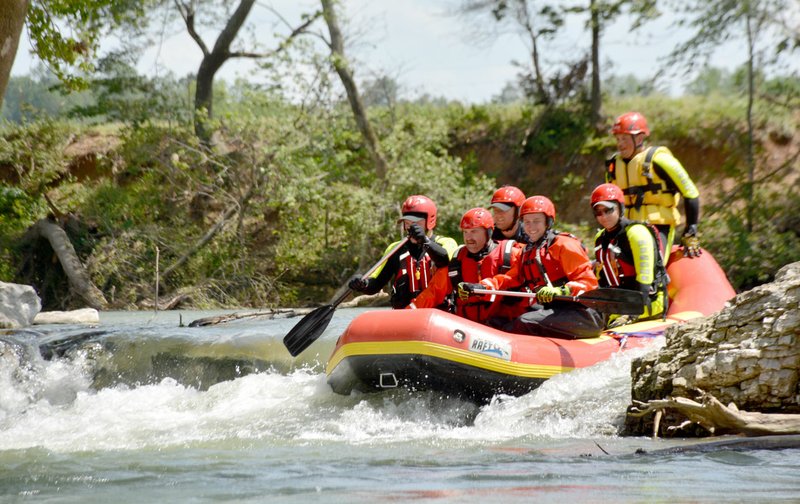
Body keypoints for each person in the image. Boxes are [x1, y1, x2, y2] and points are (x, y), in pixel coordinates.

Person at [467, 195, 603, 339]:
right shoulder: (527, 251)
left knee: (524, 321)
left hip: (584, 315)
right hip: (555, 310)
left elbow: (588, 283)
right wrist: (481, 287)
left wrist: (560, 290)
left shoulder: (565, 245)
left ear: (548, 222)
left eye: (536, 221)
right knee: (496, 321)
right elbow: (510, 278)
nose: (531, 227)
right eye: (527, 222)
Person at [607, 111, 702, 259]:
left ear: (639, 138)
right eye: (618, 139)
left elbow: (691, 193)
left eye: (624, 138)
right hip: (625, 228)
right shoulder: (613, 166)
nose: (620, 144)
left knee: (652, 264)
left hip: (658, 226)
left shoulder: (660, 160)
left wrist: (691, 230)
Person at [407, 207, 523, 325]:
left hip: (504, 327)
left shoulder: (511, 254)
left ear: (488, 232)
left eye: (474, 231)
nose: (468, 238)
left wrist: (482, 288)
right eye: (465, 232)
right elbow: (433, 293)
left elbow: (512, 279)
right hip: (467, 329)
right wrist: (408, 314)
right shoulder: (458, 260)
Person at [348, 195, 458, 309]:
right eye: (408, 223)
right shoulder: (395, 249)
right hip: (404, 317)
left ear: (429, 221)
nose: (411, 229)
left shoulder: (446, 243)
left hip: (439, 315)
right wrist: (363, 284)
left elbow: (444, 261)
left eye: (417, 224)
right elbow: (376, 284)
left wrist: (424, 240)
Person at [591, 183, 669, 324]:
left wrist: (631, 314)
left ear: (620, 208)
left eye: (608, 210)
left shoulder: (637, 233)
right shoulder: (600, 238)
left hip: (646, 303)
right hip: (618, 303)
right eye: (598, 212)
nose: (603, 216)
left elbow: (645, 279)